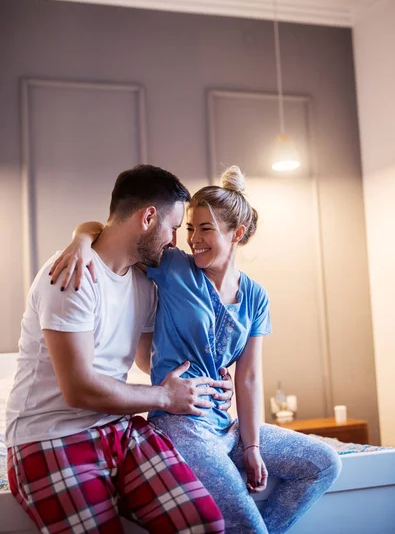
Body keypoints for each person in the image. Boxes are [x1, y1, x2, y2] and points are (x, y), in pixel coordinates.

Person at [52, 165, 342, 534]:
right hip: (180, 424)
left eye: (205, 228)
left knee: (324, 463)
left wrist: (252, 447)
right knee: (247, 524)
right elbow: (116, 232)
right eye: (190, 228)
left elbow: (249, 377)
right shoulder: (173, 267)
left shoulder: (255, 296)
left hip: (228, 426)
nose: (192, 239)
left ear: (236, 234)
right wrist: (79, 238)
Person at [6, 165, 227, 534]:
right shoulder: (71, 274)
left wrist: (210, 381)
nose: (175, 240)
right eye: (174, 227)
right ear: (148, 217)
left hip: (116, 430)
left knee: (204, 524)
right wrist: (163, 397)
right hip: (47, 437)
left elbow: (147, 359)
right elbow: (79, 389)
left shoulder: (144, 282)